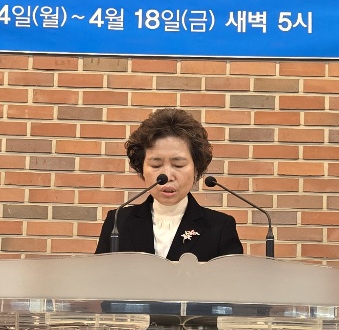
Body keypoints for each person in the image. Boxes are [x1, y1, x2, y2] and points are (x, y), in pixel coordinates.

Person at [94, 107, 244, 261]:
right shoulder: (117, 222)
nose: (167, 176)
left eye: (178, 165)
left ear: (196, 168)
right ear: (142, 167)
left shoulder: (220, 227)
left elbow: (232, 276)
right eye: (156, 165)